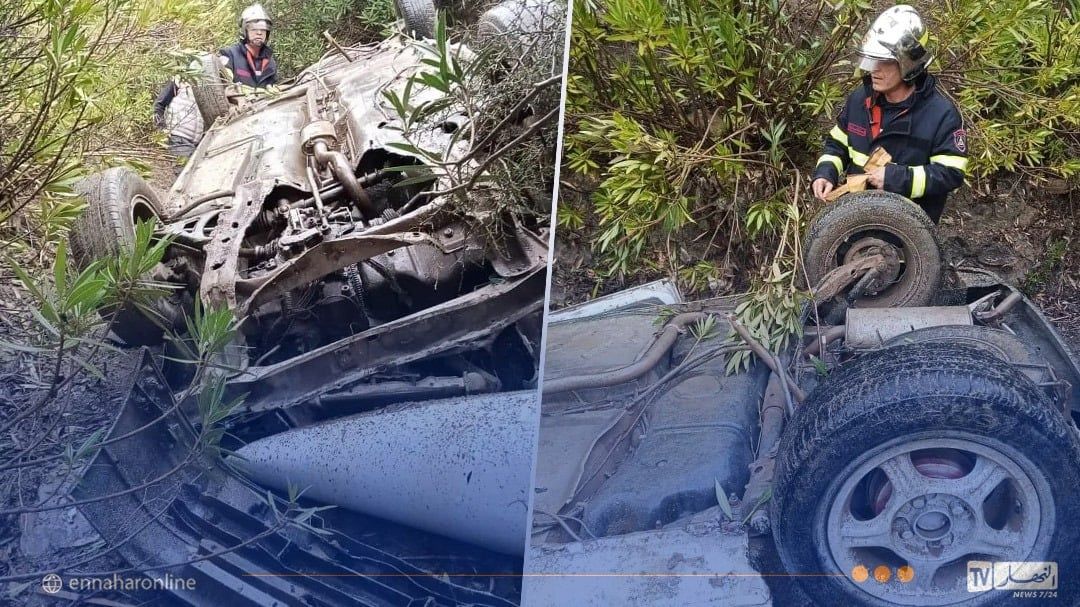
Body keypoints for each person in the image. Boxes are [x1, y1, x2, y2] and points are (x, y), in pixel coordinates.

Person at [811, 5, 968, 223]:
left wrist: (897, 178)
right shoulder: (859, 100)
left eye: (884, 61)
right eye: (872, 59)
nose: (874, 69)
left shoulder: (941, 115)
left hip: (908, 231)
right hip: (856, 220)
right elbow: (837, 144)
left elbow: (950, 173)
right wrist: (825, 172)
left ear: (909, 63)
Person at [152, 74, 205, 175]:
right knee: (185, 174)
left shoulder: (209, 89)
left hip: (196, 143)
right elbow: (158, 105)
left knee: (194, 175)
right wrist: (162, 129)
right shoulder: (179, 81)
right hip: (178, 138)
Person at [218, 3, 278, 90]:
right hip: (238, 99)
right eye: (254, 29)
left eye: (263, 30)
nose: (259, 33)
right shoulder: (230, 55)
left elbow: (274, 86)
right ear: (245, 31)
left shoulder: (270, 62)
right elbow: (223, 84)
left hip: (265, 99)